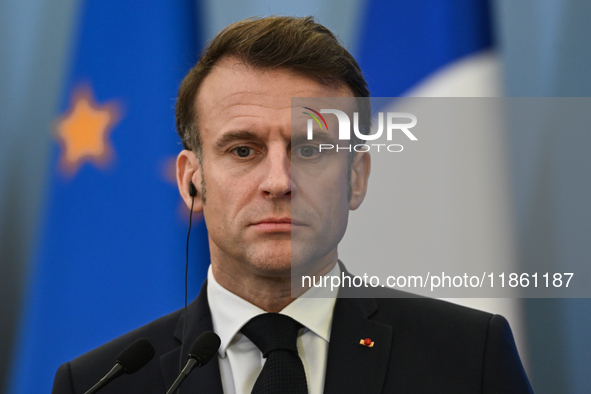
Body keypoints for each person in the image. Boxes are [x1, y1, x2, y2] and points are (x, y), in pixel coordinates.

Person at [52, 16, 533, 394]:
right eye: (243, 150)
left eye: (310, 150)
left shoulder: (469, 358)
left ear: (356, 178)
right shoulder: (104, 383)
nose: (279, 182)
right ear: (191, 180)